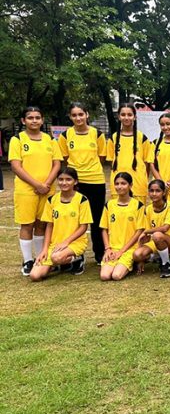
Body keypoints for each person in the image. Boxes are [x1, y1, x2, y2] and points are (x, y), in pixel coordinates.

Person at [9, 106, 62, 276]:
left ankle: (41, 257)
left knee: (42, 224)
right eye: (30, 118)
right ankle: (27, 260)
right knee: (27, 224)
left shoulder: (50, 140)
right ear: (23, 121)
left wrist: (46, 183)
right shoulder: (17, 140)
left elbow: (57, 164)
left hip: (47, 189)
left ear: (42, 119)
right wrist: (36, 184)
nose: (34, 121)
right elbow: (16, 166)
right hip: (26, 190)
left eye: (37, 117)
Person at [58, 102, 108, 265]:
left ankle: (100, 254)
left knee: (96, 219)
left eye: (81, 114)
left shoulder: (97, 134)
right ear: (70, 117)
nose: (78, 118)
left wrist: (89, 169)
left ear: (87, 114)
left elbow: (101, 157)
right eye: (74, 115)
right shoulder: (65, 136)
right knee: (75, 219)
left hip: (95, 180)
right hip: (75, 183)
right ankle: (76, 255)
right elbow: (65, 158)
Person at [29, 167, 93, 281]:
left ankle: (77, 258)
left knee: (56, 257)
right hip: (56, 245)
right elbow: (49, 226)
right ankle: (58, 263)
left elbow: (83, 227)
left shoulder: (82, 200)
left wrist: (66, 242)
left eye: (68, 179)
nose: (64, 182)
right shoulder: (51, 200)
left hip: (75, 243)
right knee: (35, 276)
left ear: (75, 181)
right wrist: (44, 250)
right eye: (61, 179)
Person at [132, 180, 170, 278]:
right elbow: (146, 235)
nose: (154, 194)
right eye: (151, 191)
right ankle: (159, 256)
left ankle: (166, 264)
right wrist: (141, 260)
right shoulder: (148, 209)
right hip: (156, 241)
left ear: (164, 192)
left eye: (157, 191)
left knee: (157, 235)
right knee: (137, 255)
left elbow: (165, 228)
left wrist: (146, 232)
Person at [100, 172, 146, 281]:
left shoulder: (138, 205)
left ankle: (133, 262)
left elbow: (139, 231)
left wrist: (122, 251)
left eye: (123, 183)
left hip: (129, 249)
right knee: (105, 276)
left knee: (116, 276)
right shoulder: (109, 205)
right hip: (112, 248)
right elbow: (104, 229)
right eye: (117, 184)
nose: (119, 186)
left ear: (130, 186)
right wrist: (107, 249)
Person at [106, 103, 154, 204]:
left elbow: (147, 163)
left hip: (138, 184)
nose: (126, 117)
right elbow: (111, 161)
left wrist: (142, 178)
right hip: (118, 184)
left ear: (135, 117)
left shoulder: (143, 138)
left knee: (138, 215)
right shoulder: (113, 138)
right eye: (123, 115)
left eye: (129, 114)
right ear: (119, 117)